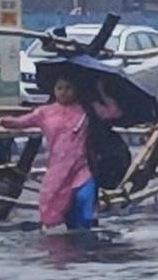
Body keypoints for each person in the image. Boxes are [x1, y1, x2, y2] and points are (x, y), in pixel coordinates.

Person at [18, 60, 103, 237]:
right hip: (57, 170)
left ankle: (84, 239)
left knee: (84, 199)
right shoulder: (44, 112)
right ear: (54, 90)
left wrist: (102, 91)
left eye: (68, 88)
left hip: (81, 168)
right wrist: (1, 121)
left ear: (76, 90)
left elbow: (112, 112)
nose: (64, 92)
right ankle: (70, 244)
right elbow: (22, 122)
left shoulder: (86, 110)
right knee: (58, 208)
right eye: (60, 88)